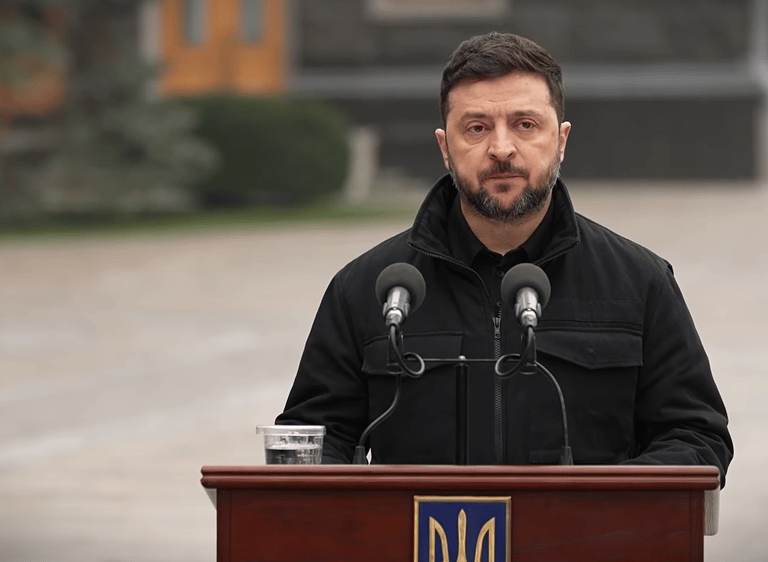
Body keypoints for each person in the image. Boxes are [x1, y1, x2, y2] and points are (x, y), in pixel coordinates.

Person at [276, 32, 733, 485]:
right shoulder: (366, 288)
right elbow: (311, 441)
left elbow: (696, 436)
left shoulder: (639, 282)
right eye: (476, 128)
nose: (501, 148)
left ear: (561, 140)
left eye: (525, 125)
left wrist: (599, 504)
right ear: (445, 147)